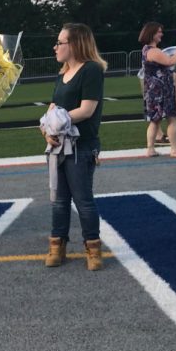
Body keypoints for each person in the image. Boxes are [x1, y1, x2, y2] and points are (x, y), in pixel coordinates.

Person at [40, 23, 107, 271]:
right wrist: (47, 130)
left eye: (60, 42)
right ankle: (57, 245)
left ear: (75, 44)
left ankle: (93, 247)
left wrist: (56, 122)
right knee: (59, 200)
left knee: (83, 200)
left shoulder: (91, 70)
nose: (55, 47)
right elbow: (52, 108)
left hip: (81, 145)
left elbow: (87, 109)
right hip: (59, 146)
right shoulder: (62, 73)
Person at [138, 22, 176, 158]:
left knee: (155, 120)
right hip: (161, 91)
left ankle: (150, 149)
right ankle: (175, 150)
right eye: (159, 32)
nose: (161, 34)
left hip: (154, 91)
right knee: (173, 119)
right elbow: (171, 62)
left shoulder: (146, 49)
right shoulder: (154, 51)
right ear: (152, 34)